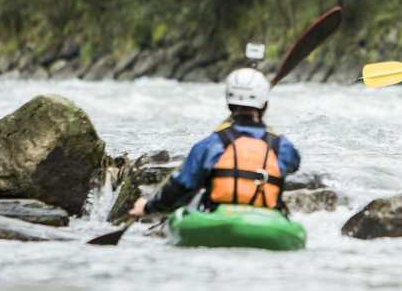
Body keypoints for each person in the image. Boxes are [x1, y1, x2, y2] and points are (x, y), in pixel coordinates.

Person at [128, 68, 301, 218]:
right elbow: (293, 164)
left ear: (229, 104)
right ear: (265, 105)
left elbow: (181, 187)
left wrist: (148, 207)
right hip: (268, 220)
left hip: (218, 217)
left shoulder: (210, 144)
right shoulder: (281, 146)